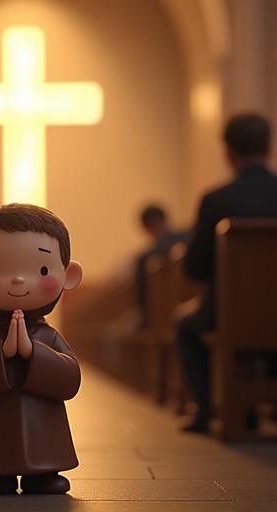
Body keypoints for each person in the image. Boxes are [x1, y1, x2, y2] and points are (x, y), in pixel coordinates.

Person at [0, 203, 83, 495]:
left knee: (46, 464)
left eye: (43, 269)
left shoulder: (49, 337)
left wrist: (32, 351)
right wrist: (1, 353)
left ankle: (44, 468)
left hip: (44, 430)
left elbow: (70, 380)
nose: (18, 280)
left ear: (69, 275)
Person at [177, 112, 277, 433]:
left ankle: (206, 410)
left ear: (228, 152)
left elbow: (195, 268)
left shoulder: (217, 200)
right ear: (269, 148)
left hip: (229, 314)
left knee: (184, 324)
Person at [135, 205, 188, 326]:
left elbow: (142, 303)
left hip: (158, 318)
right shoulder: (188, 237)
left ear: (147, 228)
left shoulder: (146, 259)